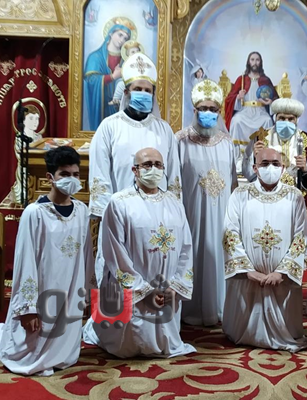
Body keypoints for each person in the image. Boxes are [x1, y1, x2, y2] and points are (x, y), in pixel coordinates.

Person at [83, 148, 196, 359]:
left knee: (164, 338)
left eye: (158, 165)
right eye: (147, 165)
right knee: (129, 344)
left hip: (167, 288)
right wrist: (143, 290)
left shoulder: (174, 202)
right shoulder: (119, 202)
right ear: (135, 170)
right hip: (134, 292)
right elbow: (114, 252)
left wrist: (175, 287)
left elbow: (186, 248)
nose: (153, 169)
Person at [0, 147, 94, 376]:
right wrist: (28, 308)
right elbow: (25, 260)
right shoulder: (35, 213)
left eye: (75, 174)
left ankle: (61, 352)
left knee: (66, 350)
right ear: (50, 177)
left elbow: (87, 254)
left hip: (70, 289)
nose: (71, 179)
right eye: (64, 174)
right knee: (30, 351)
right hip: (43, 290)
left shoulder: (81, 211)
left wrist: (87, 294)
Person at [89, 52, 182, 285]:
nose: (143, 93)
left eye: (148, 90)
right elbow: (100, 176)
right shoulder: (109, 127)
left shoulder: (164, 130)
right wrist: (108, 220)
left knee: (156, 278)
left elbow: (174, 178)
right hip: (120, 220)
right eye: (138, 89)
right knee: (119, 285)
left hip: (158, 221)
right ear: (126, 92)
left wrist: (174, 214)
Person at [223, 148, 307, 353]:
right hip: (249, 277)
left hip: (282, 279)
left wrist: (282, 272)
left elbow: (302, 236)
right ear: (255, 168)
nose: (270, 168)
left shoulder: (294, 196)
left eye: (275, 164)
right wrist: (247, 270)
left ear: (283, 168)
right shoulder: (240, 194)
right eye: (264, 164)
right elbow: (229, 232)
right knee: (241, 326)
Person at [177, 79, 237, 326]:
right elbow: (174, 182)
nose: (208, 113)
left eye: (213, 109)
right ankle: (190, 309)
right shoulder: (180, 141)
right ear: (194, 110)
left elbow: (233, 183)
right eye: (203, 108)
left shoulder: (227, 142)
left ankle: (219, 308)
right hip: (191, 214)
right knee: (192, 255)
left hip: (221, 215)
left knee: (218, 257)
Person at [243, 98, 307, 192]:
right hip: (268, 193)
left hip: (296, 194)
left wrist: (305, 169)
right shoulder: (260, 137)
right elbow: (247, 172)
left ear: (296, 120)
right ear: (275, 118)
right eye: (281, 118)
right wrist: (254, 157)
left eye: (291, 119)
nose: (286, 122)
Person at [225, 52, 279, 174]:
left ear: (260, 62)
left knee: (267, 121)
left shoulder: (266, 80)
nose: (255, 62)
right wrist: (238, 97)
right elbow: (229, 99)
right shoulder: (241, 79)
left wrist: (270, 102)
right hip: (244, 111)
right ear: (248, 62)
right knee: (236, 121)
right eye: (252, 59)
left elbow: (276, 100)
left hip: (260, 111)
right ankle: (238, 159)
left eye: (257, 60)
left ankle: (264, 157)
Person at [84, 20, 133, 131]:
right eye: (120, 35)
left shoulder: (126, 60)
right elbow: (90, 80)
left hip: (120, 107)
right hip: (102, 106)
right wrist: (112, 77)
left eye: (125, 38)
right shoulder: (95, 57)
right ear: (110, 33)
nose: (122, 40)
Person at [11, 105, 44, 204]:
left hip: (38, 169)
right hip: (25, 170)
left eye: (37, 119)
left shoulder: (39, 137)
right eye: (31, 118)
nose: (35, 122)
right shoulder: (20, 138)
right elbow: (21, 156)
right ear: (23, 120)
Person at [109, 41, 145, 107]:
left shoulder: (141, 63)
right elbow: (124, 73)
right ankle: (116, 99)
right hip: (128, 81)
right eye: (133, 52)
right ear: (128, 54)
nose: (135, 53)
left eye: (137, 51)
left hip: (139, 82)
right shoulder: (126, 63)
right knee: (120, 84)